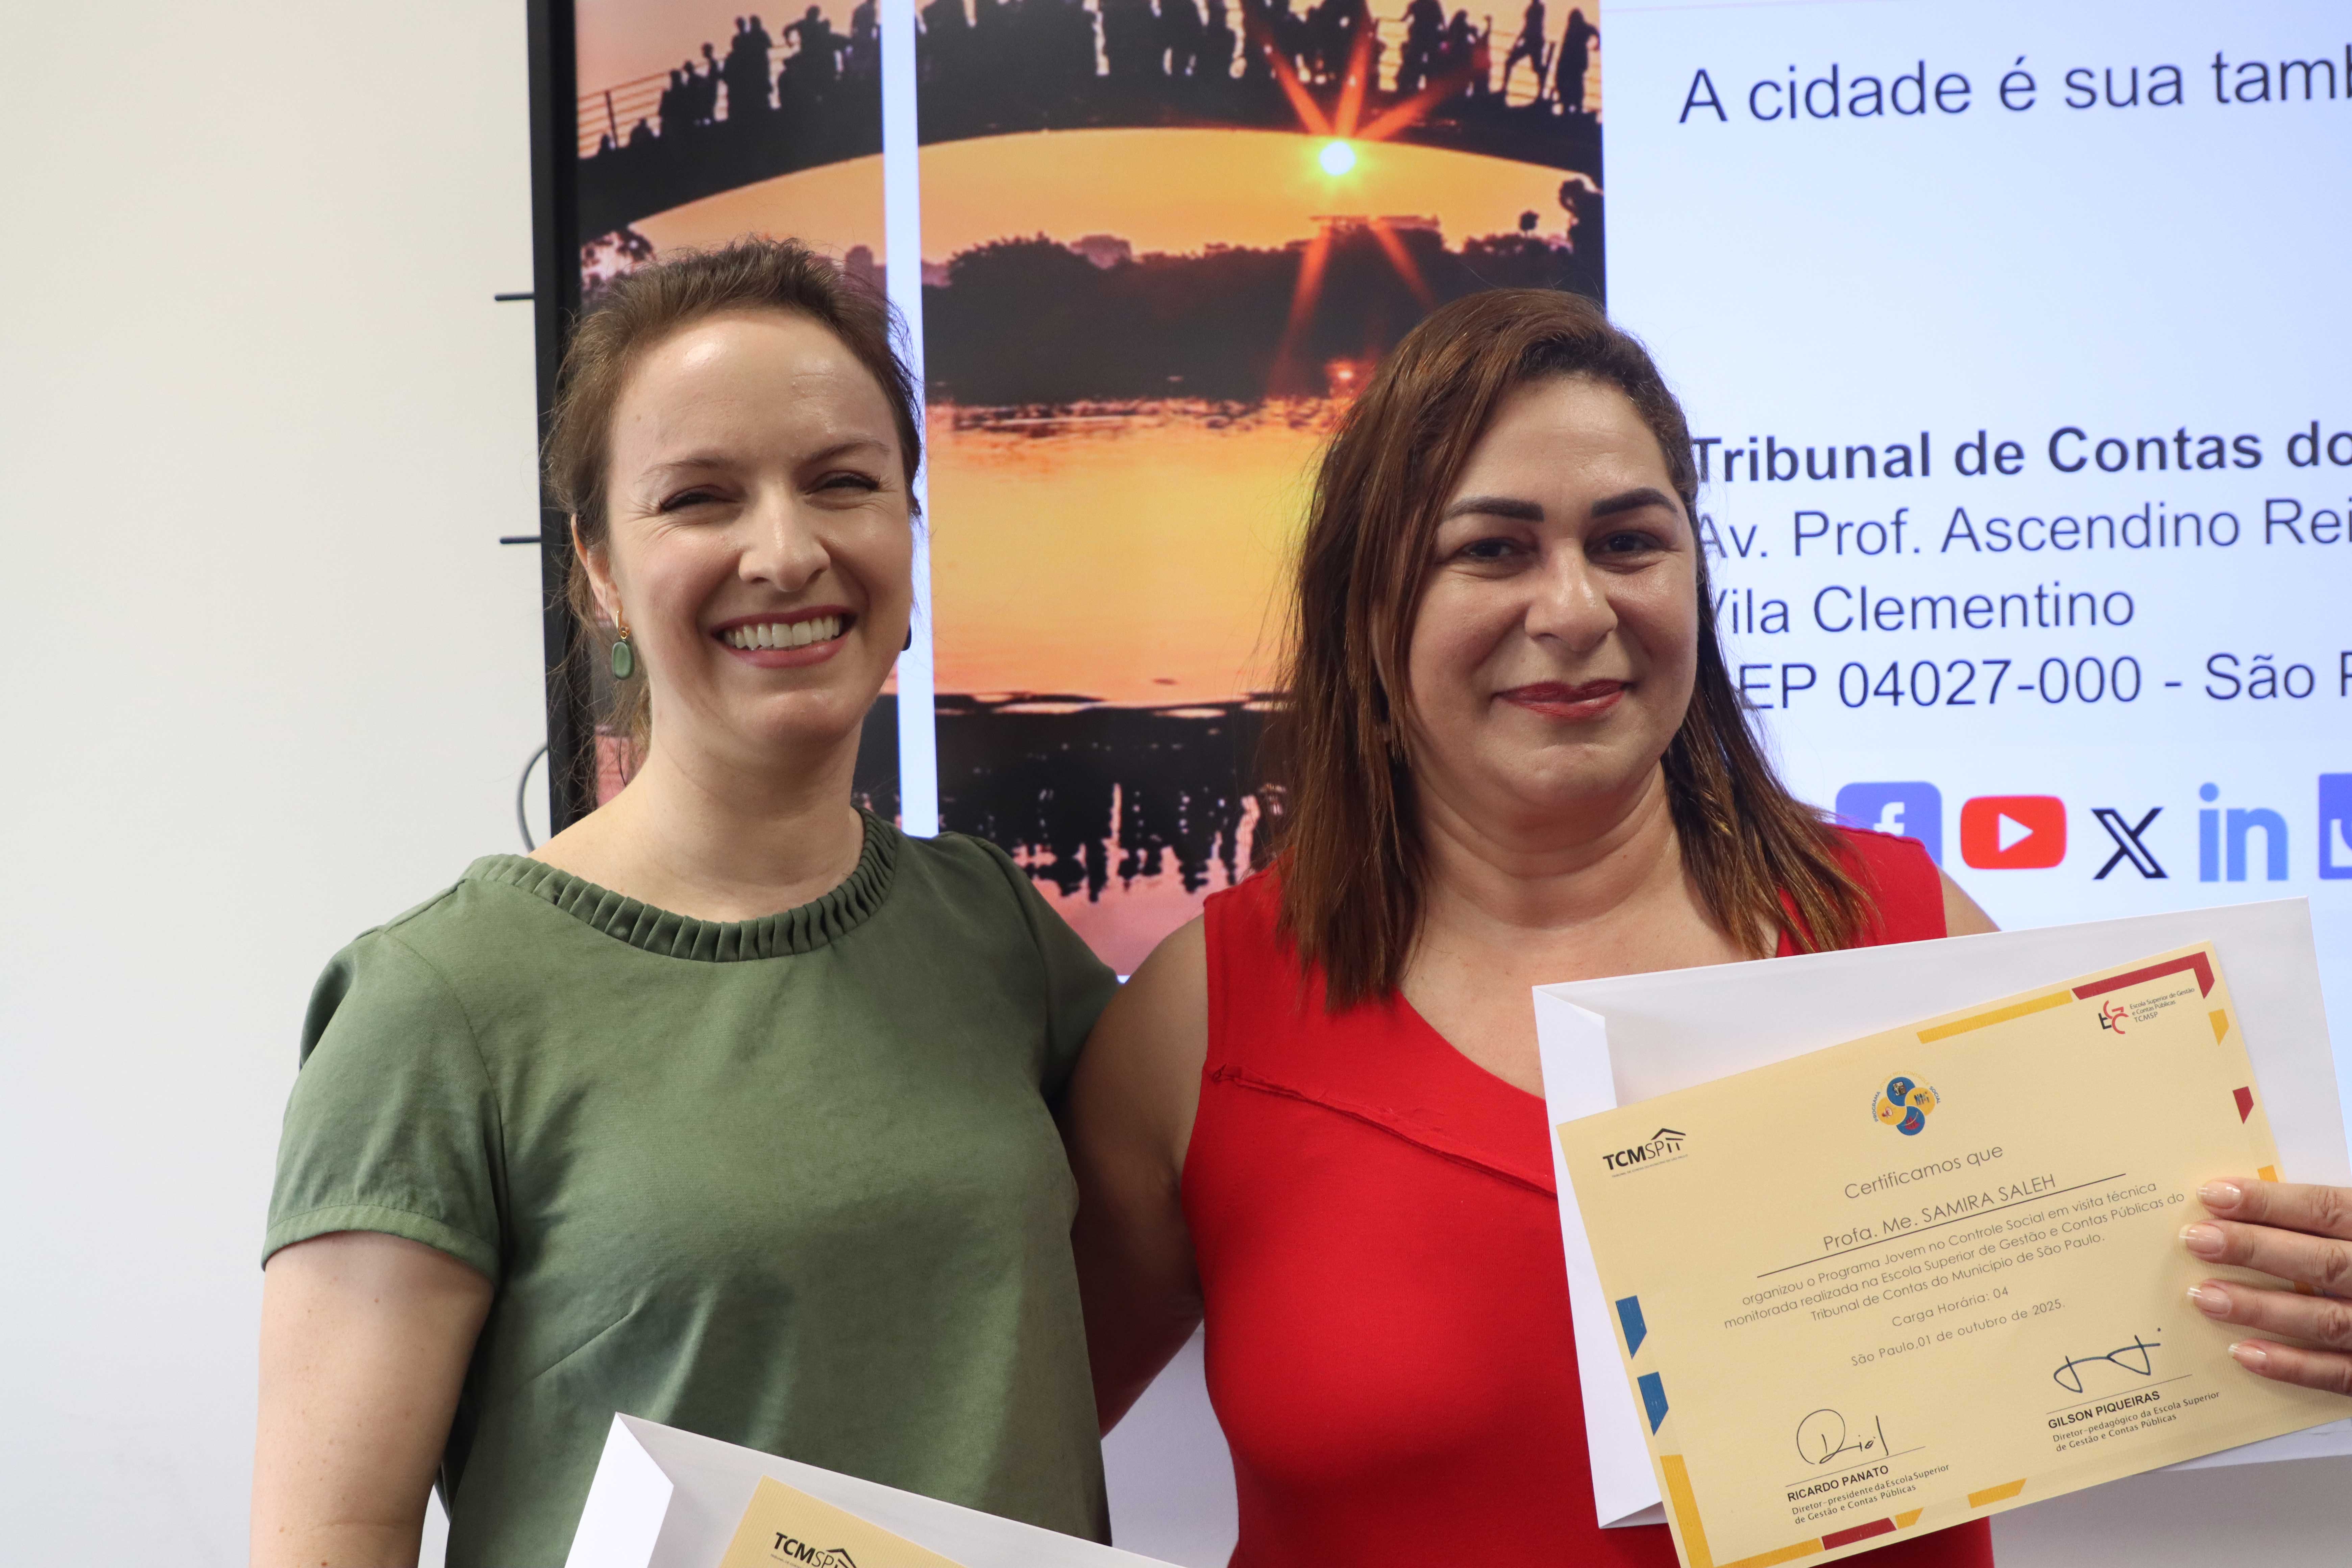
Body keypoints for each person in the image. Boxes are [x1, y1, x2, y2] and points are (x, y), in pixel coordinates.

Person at [1062, 289, 2004, 1565]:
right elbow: (999, 1452)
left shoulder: (1908, 940)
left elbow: (2141, 1305)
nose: (1574, 610)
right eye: (1494, 550)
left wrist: (2263, 1293)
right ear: (1368, 608)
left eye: (1628, 542)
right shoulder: (1198, 1023)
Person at [251, 241, 1116, 1567]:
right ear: (599, 565)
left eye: (843, 482)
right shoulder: (437, 1005)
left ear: (908, 527)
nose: (787, 550)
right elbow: (331, 1535)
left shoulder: (993, 931)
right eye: (700, 498)